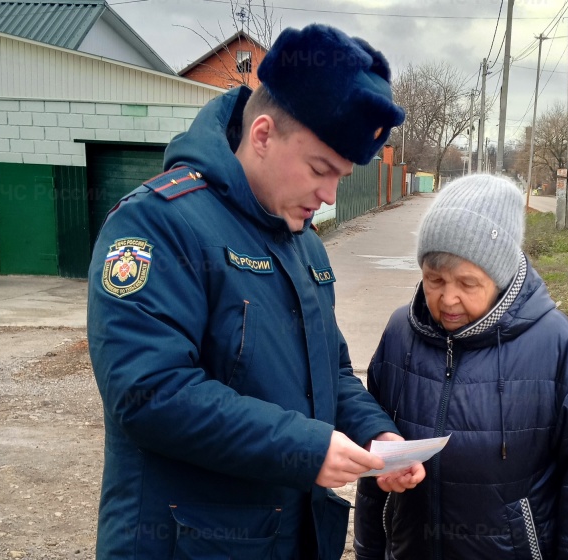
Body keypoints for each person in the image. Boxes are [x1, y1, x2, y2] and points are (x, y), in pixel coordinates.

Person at [87, 23, 425, 560]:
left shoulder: (303, 244)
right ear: (263, 134)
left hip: (289, 537)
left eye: (341, 176)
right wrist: (306, 447)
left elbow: (329, 373)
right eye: (321, 170)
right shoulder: (158, 224)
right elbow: (149, 392)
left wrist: (376, 437)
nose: (330, 195)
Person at [353, 174, 568, 559]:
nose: (448, 298)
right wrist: (368, 551)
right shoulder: (399, 333)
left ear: (501, 276)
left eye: (467, 282)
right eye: (435, 279)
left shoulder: (558, 347)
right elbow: (373, 461)